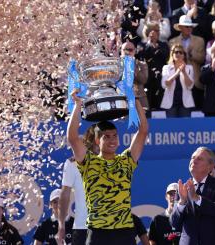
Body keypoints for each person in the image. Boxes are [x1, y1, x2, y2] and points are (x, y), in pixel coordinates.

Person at [67, 87, 148, 244]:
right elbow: (72, 137)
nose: (112, 140)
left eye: (115, 136)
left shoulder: (127, 160)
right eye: (106, 137)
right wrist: (77, 105)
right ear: (97, 141)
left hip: (124, 231)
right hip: (98, 232)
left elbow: (143, 130)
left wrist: (135, 100)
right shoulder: (88, 161)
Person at [171, 147, 215, 245]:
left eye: (199, 158)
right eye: (192, 157)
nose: (194, 160)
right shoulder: (182, 188)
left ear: (210, 166)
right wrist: (181, 202)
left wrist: (196, 198)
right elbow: (174, 223)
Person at [57, 124, 98, 245]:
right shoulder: (72, 163)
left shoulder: (113, 160)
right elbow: (64, 195)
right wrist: (61, 224)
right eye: (96, 139)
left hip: (109, 227)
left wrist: (61, 225)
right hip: (83, 227)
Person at [169, 15, 205, 109]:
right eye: (187, 26)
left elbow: (202, 59)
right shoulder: (172, 42)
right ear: (180, 27)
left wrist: (192, 55)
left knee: (196, 110)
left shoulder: (200, 41)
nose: (189, 28)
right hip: (177, 81)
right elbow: (170, 61)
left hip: (195, 81)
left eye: (191, 26)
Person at [137, 23, 170, 110]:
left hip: (160, 75)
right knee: (148, 96)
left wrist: (156, 46)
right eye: (154, 31)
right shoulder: (142, 45)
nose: (156, 33)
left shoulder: (163, 44)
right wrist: (149, 44)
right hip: (147, 76)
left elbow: (166, 56)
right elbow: (141, 55)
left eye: (157, 31)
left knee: (160, 96)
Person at [160, 44, 195, 117]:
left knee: (185, 127)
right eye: (176, 52)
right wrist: (177, 73)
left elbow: (190, 86)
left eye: (181, 52)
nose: (178, 54)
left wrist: (184, 72)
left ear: (184, 55)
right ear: (172, 54)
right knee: (171, 127)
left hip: (185, 104)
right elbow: (164, 84)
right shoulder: (166, 68)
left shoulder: (189, 68)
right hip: (170, 104)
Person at [121, 41, 149, 109]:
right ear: (121, 51)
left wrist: (134, 68)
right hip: (123, 100)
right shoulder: (117, 65)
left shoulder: (141, 64)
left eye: (130, 50)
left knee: (142, 119)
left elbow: (143, 80)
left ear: (134, 51)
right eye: (125, 50)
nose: (128, 52)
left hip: (139, 99)